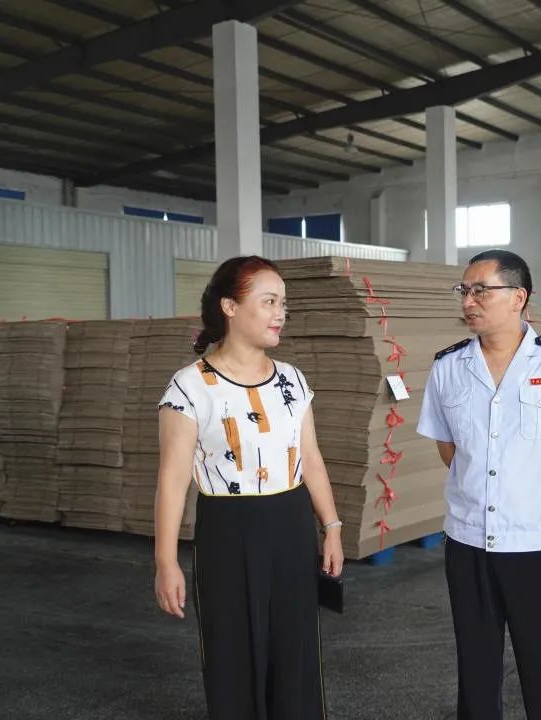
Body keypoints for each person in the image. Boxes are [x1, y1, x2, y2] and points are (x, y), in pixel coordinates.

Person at [417, 249, 541, 720]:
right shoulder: (448, 366)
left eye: (481, 290)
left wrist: (539, 495)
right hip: (468, 541)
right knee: (476, 664)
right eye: (464, 290)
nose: (469, 301)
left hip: (536, 542)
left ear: (518, 297)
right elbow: (448, 446)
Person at [154, 256, 344, 720]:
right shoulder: (190, 387)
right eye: (269, 302)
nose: (281, 313)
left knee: (295, 649)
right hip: (227, 532)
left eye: (283, 304)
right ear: (230, 307)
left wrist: (332, 526)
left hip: (292, 526)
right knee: (232, 652)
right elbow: (172, 481)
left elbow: (311, 460)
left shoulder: (292, 380)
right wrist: (165, 561)